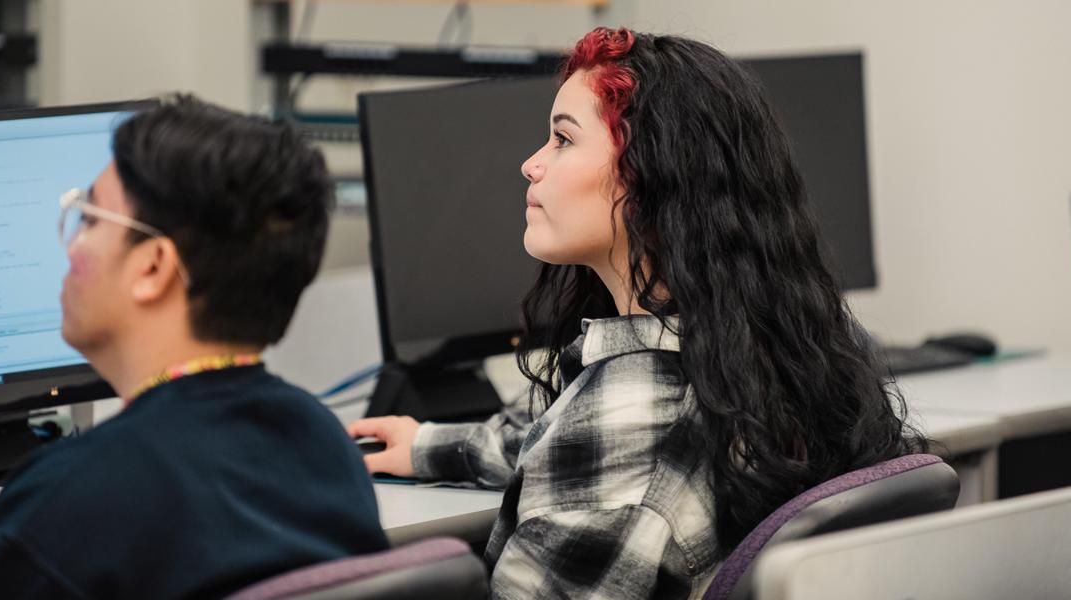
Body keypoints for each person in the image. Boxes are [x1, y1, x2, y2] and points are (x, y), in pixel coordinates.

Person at [348, 27, 926, 599]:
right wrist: (429, 445)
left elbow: (604, 452)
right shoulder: (761, 348)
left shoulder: (623, 423)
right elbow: (577, 446)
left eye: (563, 139)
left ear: (650, 175)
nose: (532, 164)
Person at [0, 96, 389, 598]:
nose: (69, 246)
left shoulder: (81, 491)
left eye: (89, 219)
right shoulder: (321, 443)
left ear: (153, 268)